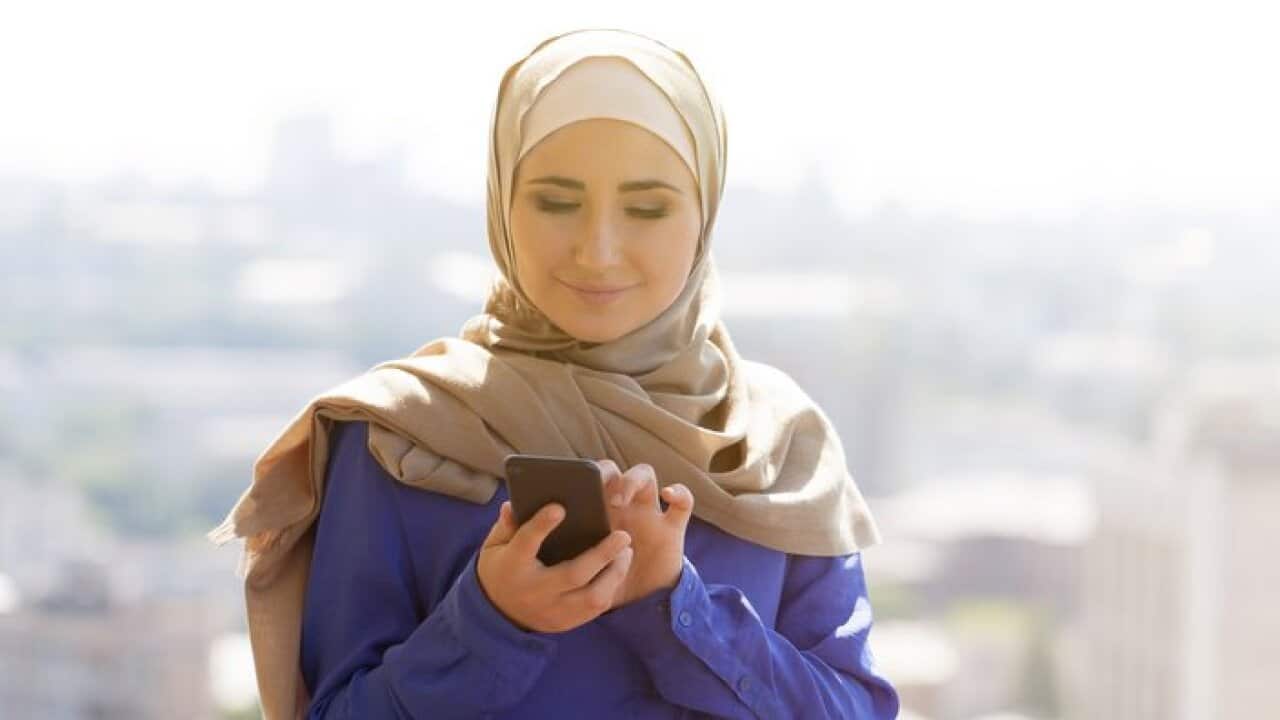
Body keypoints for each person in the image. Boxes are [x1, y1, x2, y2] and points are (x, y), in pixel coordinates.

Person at [209, 27, 900, 720]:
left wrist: (679, 609)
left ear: (705, 215)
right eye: (556, 201)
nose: (597, 251)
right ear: (503, 203)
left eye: (648, 208)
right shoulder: (400, 436)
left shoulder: (775, 448)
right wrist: (490, 622)